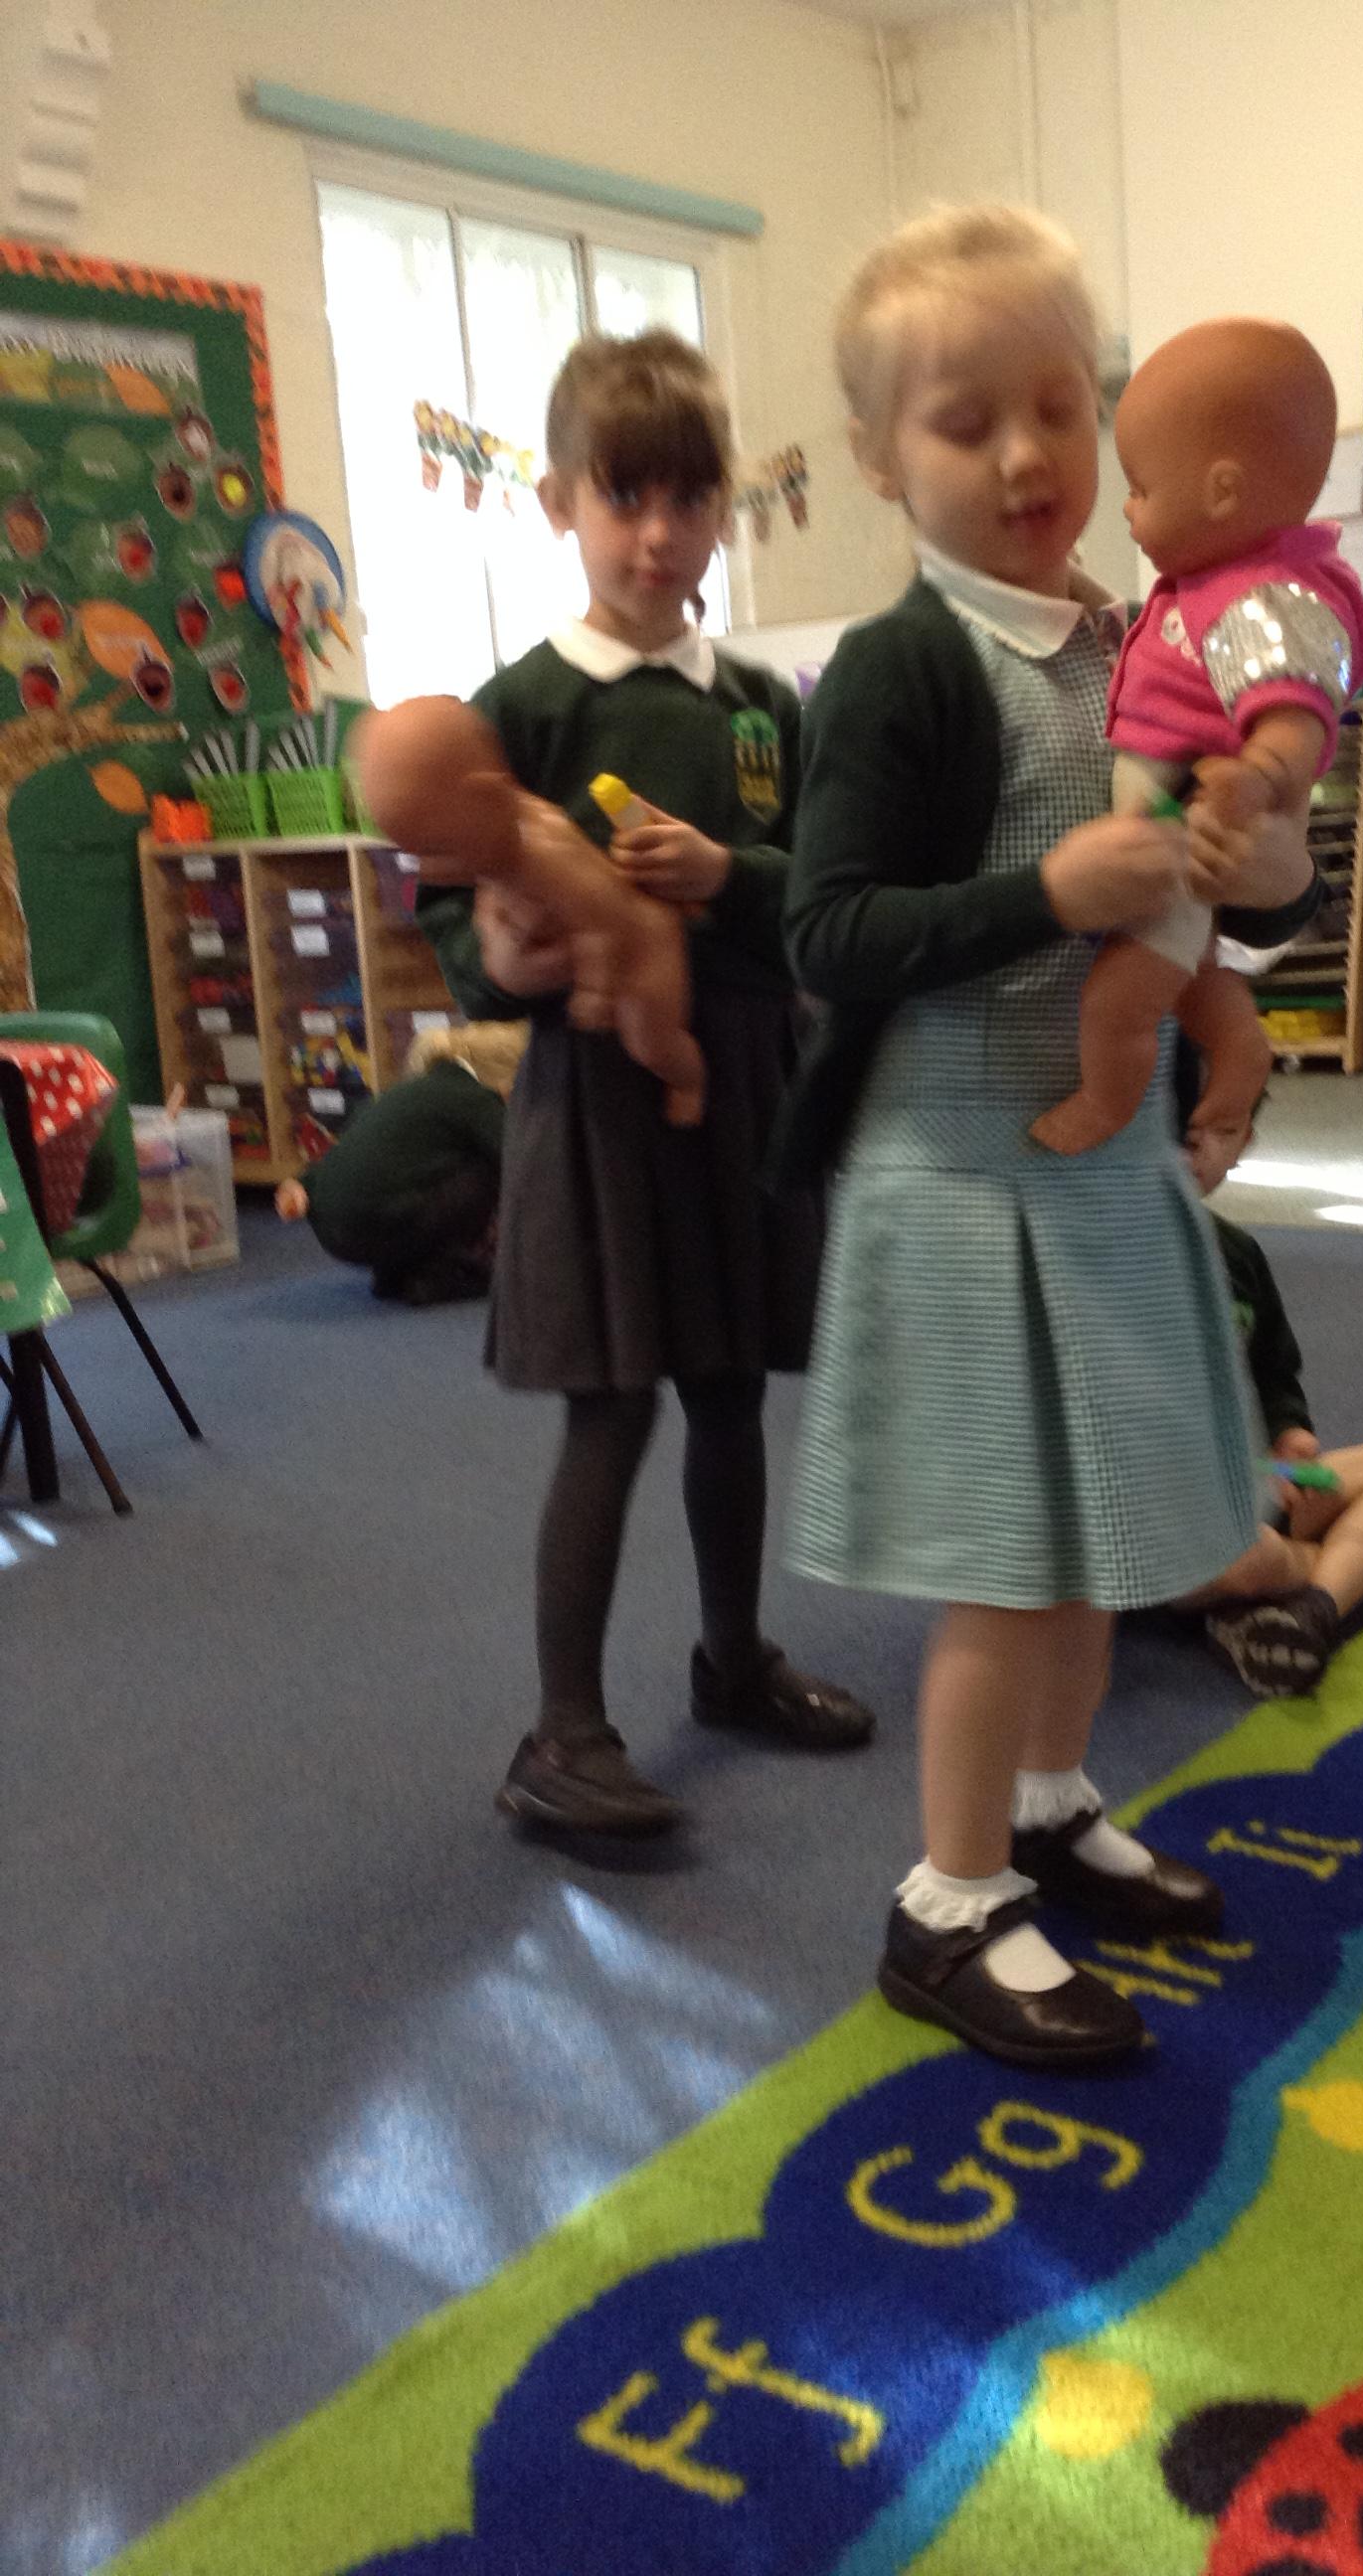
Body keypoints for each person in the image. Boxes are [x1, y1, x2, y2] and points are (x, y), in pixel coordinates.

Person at [772, 205, 1323, 2071]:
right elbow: (827, 931)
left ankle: (1048, 1804)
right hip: (958, 1180)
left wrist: (1265, 872)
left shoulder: (1144, 633)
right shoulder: (905, 667)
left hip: (1102, 1172)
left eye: (1056, 410)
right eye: (962, 423)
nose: (1023, 456)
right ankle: (946, 1905)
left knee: (1107, 1528)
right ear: (878, 458)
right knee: (1009, 1560)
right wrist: (1041, 893)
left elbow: (1224, 891)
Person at [415, 328, 874, 1842]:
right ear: (560, 504)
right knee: (608, 1412)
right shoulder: (519, 705)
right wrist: (505, 958)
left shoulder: (758, 703)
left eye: (689, 500)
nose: (659, 534)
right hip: (597, 1094)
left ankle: (732, 1661)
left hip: (743, 1076)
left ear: (725, 509)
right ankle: (562, 1732)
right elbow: (452, 912)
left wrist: (728, 874)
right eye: (625, 498)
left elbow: (819, 893)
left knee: (730, 1390)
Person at [1033, 316, 1363, 1161]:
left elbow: (1296, 716)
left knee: (1119, 998)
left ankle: (1107, 1101)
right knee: (1189, 974)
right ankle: (1240, 1046)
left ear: (1222, 492)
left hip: (1185, 824)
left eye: (1141, 487)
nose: (1127, 507)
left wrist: (1259, 776)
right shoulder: (1208, 586)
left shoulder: (1263, 599)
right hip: (1170, 830)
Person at [1170, 1118, 1363, 1691]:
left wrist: (1288, 1438)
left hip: (1244, 1488)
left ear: (1244, 1144)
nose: (1193, 1141)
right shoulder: (1093, 1257)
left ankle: (1310, 1609)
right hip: (1147, 1524)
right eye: (1177, 1119)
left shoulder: (1236, 1252)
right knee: (1250, 1558)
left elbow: (1273, 1374)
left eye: (1221, 1127)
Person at [273, 1021, 525, 1305]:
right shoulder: (475, 1098)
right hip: (375, 1223)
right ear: (508, 1079)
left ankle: (394, 1273)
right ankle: (439, 1276)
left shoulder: (407, 1091)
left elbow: (350, 1153)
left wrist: (302, 1183)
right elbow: (521, 1162)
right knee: (486, 1171)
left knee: (418, 1178)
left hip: (333, 1228)